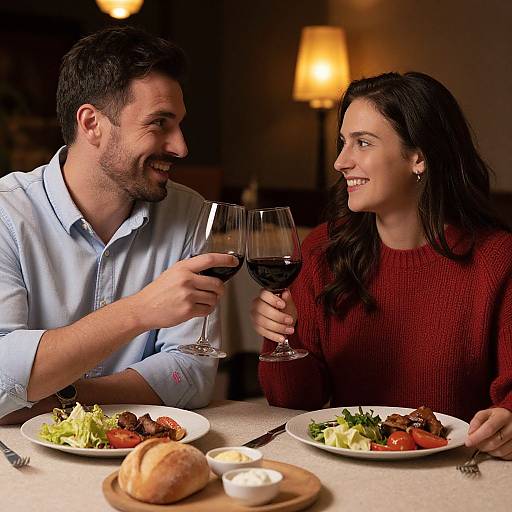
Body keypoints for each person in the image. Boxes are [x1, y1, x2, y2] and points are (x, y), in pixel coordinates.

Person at [250, 72, 512, 459]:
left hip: (458, 476)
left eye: (363, 143)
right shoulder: (323, 249)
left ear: (417, 156)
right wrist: (283, 335)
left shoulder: (495, 259)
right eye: (343, 143)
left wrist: (507, 421)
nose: (341, 161)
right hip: (349, 474)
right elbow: (294, 402)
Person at [0, 26, 238, 423]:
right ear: (92, 123)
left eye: (179, 124)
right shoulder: (7, 216)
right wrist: (139, 312)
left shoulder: (190, 214)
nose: (181, 146)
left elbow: (193, 372)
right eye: (159, 123)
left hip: (147, 453)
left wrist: (62, 399)